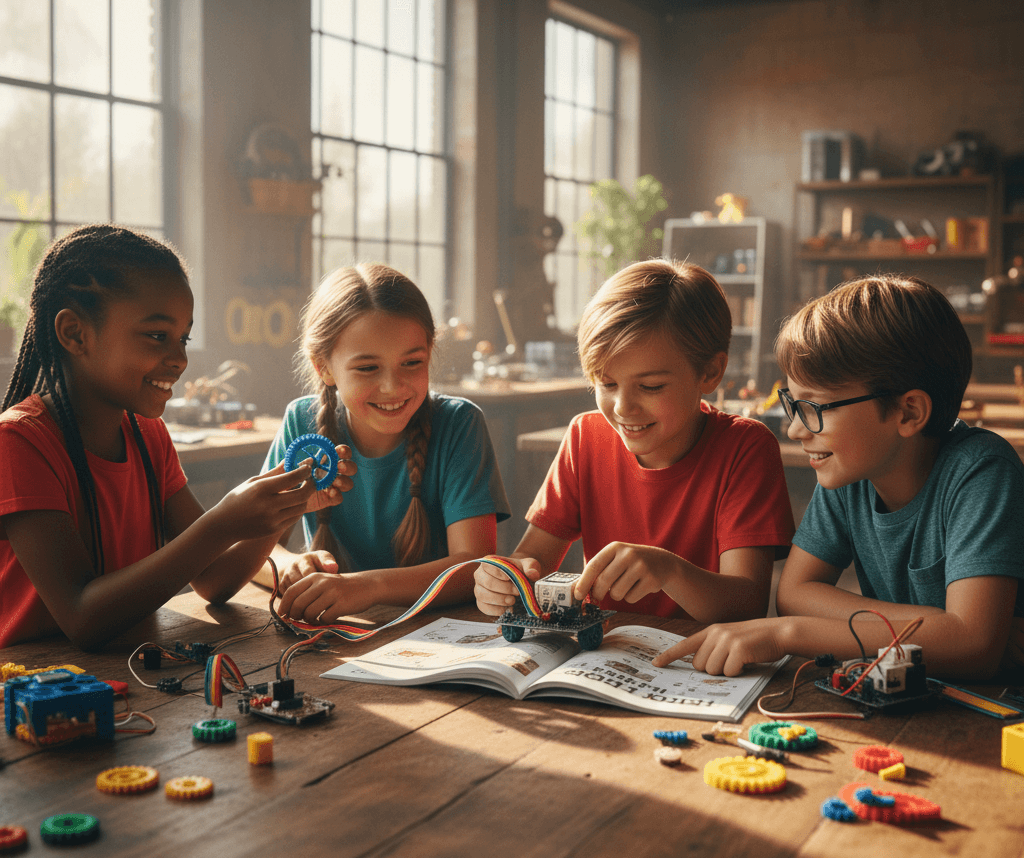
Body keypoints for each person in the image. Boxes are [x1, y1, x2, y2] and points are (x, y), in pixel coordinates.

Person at [655, 274, 1024, 678]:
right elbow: (794, 594)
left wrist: (788, 635)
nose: (795, 430)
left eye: (817, 407)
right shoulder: (852, 473)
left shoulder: (981, 471)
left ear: (908, 412)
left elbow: (973, 646)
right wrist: (939, 625)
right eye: (794, 405)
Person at [0, 224, 327, 649]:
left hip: (131, 676)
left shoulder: (146, 434)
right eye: (157, 336)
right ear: (75, 334)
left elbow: (214, 580)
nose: (180, 359)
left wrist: (281, 507)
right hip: (38, 690)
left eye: (183, 338)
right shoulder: (20, 442)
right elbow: (83, 617)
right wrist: (222, 521)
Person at [474, 259, 795, 622]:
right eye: (606, 384)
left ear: (710, 371)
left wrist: (669, 571)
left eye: (651, 386)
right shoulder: (585, 437)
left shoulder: (745, 448)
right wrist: (503, 580)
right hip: (600, 656)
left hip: (701, 662)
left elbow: (747, 604)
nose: (623, 407)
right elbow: (530, 561)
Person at [259, 263, 510, 624]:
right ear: (323, 368)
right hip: (340, 634)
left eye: (412, 362)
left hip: (439, 633)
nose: (393, 387)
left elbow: (475, 567)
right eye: (367, 368)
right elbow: (250, 548)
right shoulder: (302, 423)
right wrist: (288, 566)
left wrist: (367, 587)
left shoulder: (459, 423)